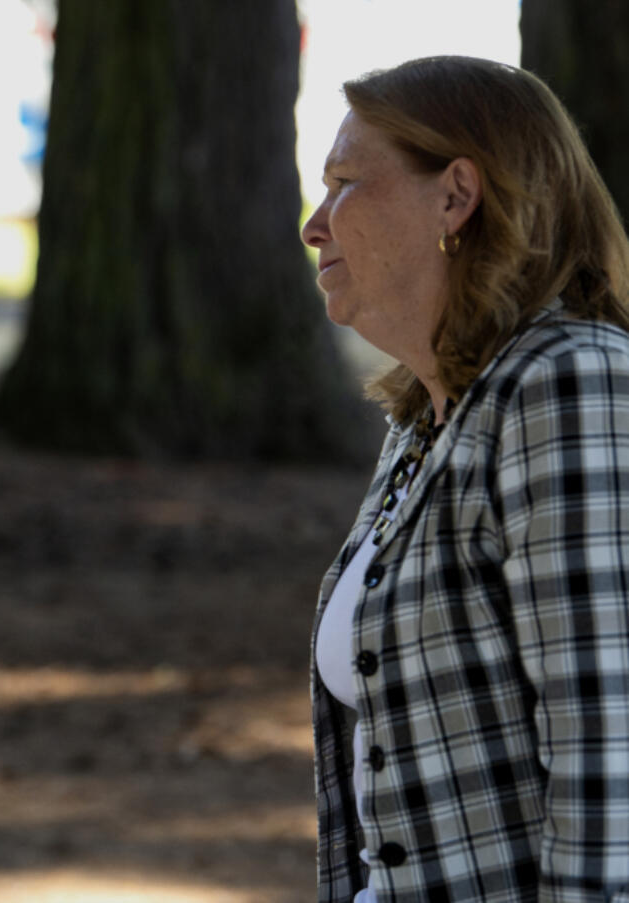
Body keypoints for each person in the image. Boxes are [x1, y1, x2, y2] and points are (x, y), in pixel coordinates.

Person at [302, 56, 629, 901]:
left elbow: (608, 763)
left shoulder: (568, 382)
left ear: (456, 195)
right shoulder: (427, 417)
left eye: (343, 182)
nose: (314, 224)